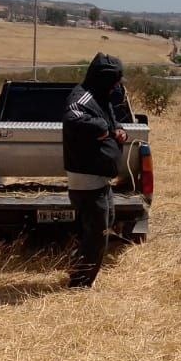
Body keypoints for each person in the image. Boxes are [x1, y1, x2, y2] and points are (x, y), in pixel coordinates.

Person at [62, 52, 127, 288]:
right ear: (103, 79)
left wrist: (118, 130)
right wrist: (101, 128)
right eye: (115, 82)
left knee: (104, 224)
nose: (117, 87)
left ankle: (77, 269)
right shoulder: (80, 99)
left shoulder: (101, 97)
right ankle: (79, 285)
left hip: (101, 181)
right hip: (87, 181)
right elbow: (72, 119)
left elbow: (111, 121)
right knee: (96, 235)